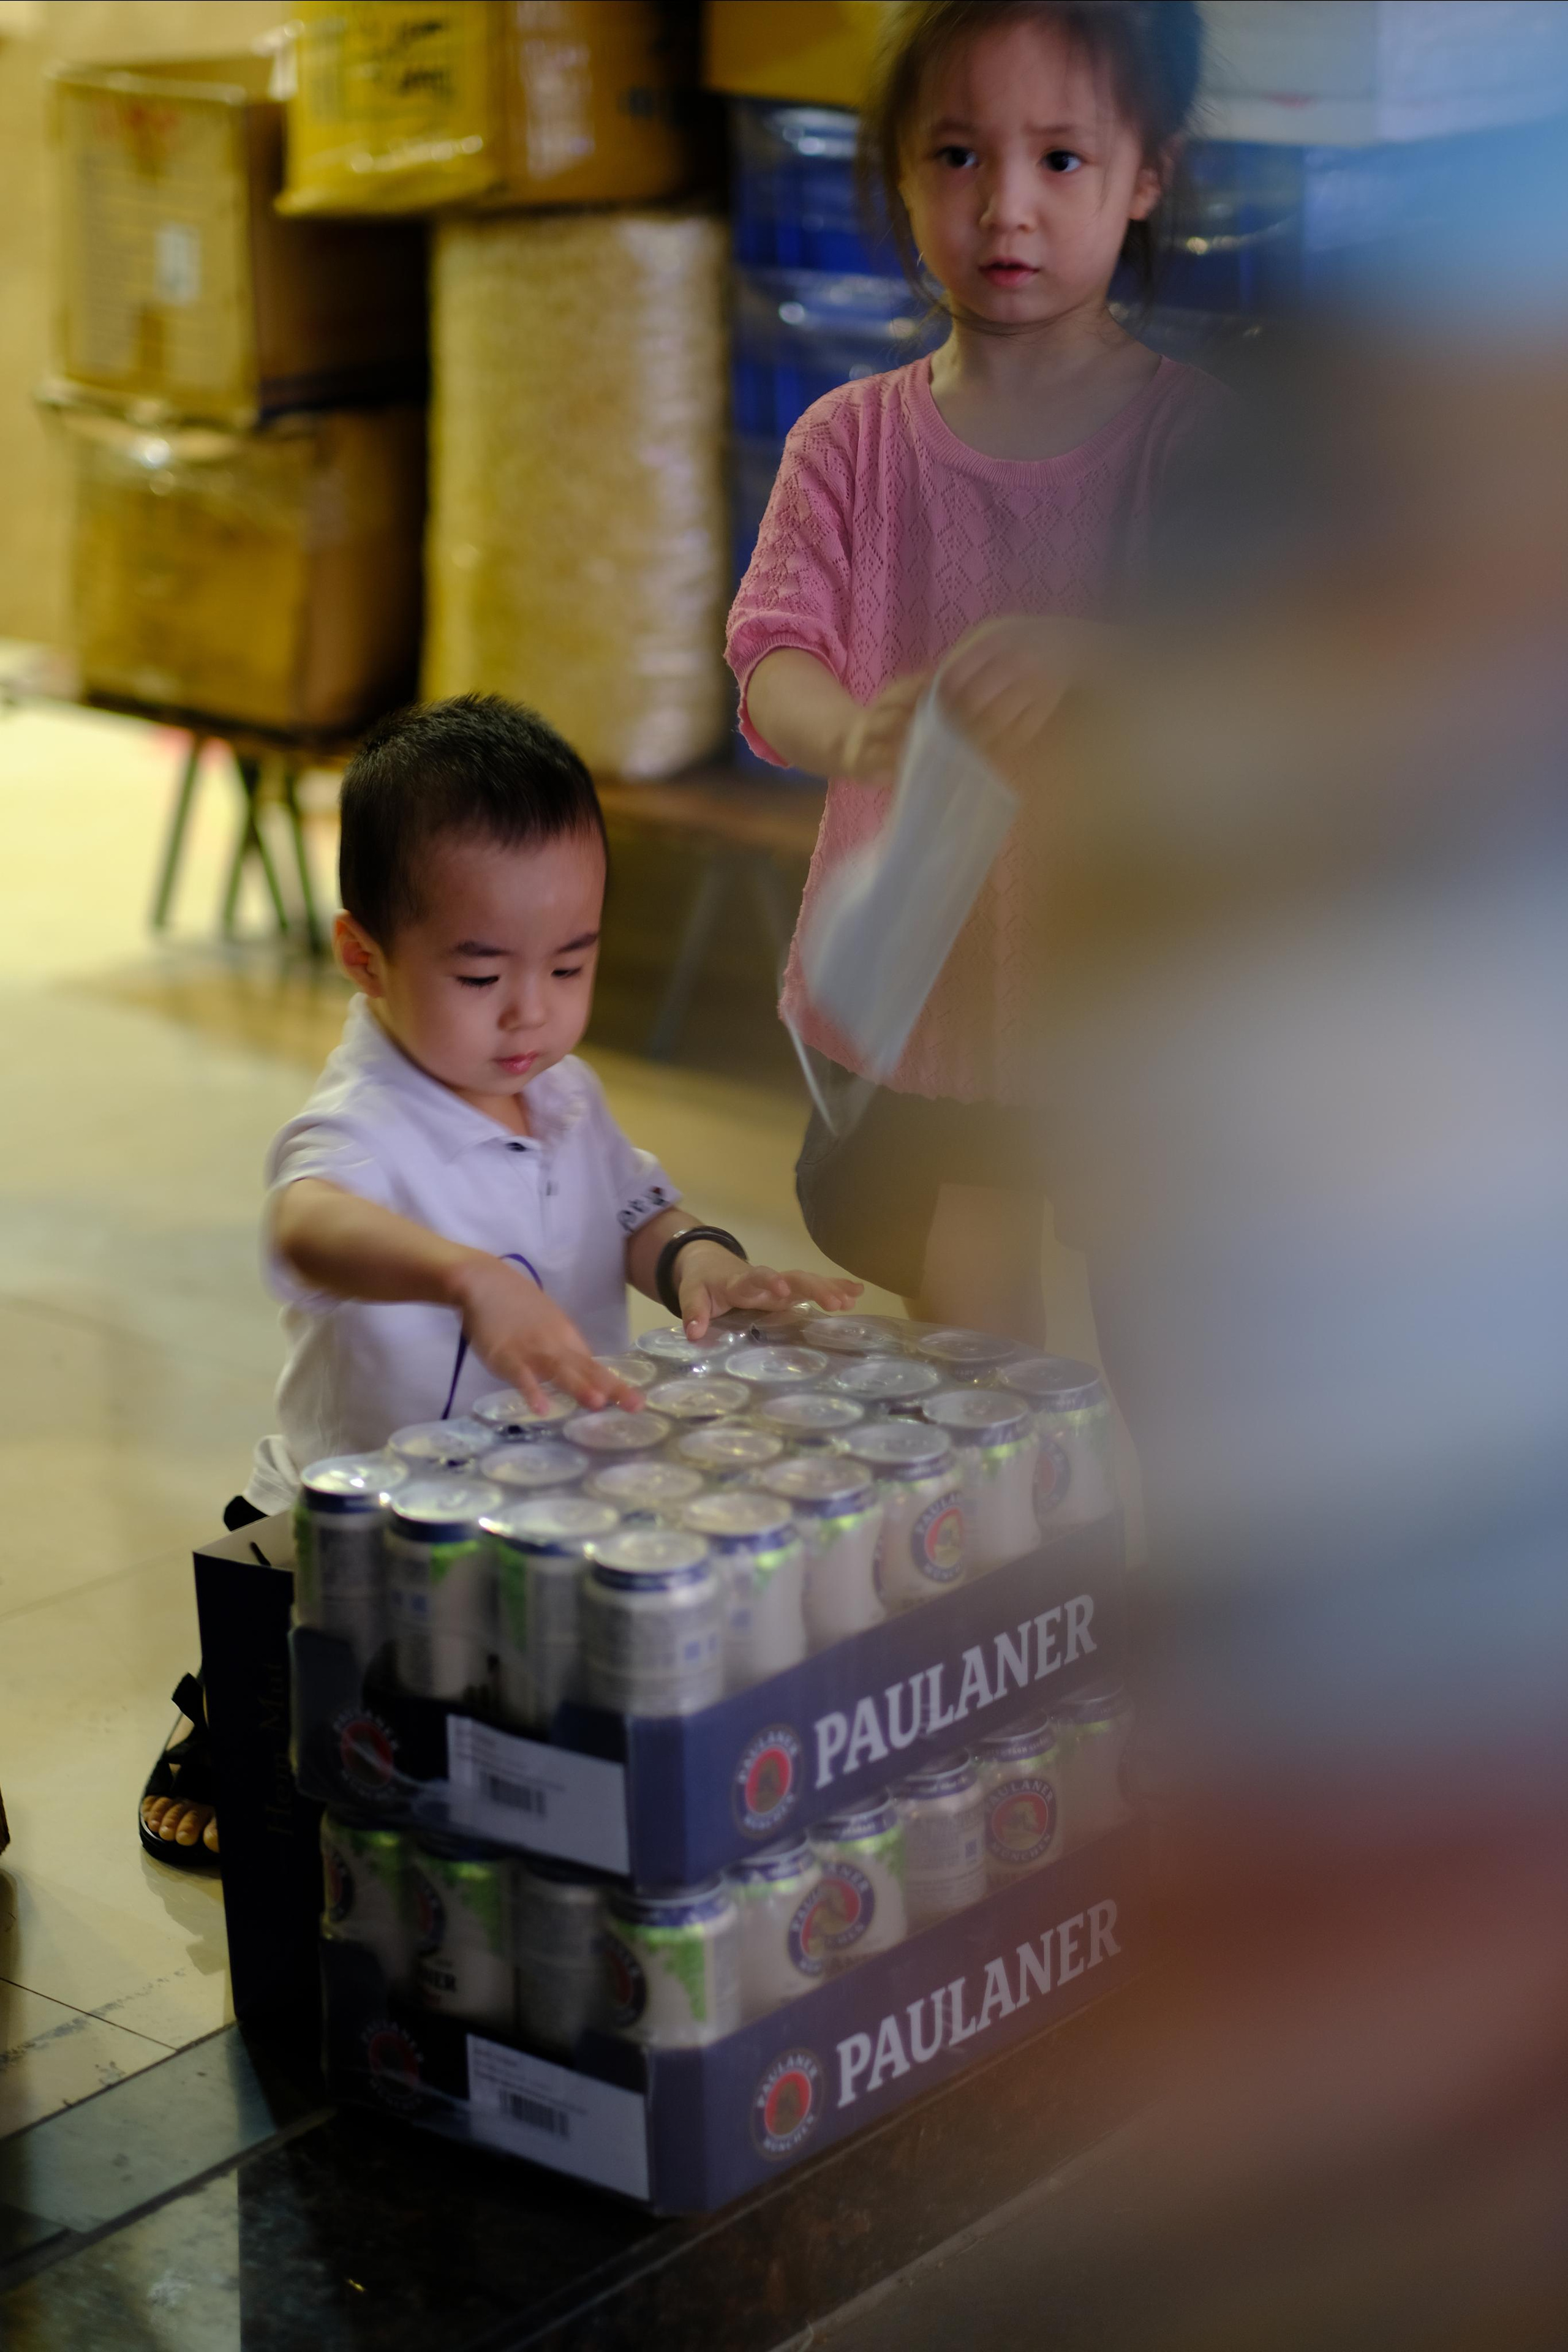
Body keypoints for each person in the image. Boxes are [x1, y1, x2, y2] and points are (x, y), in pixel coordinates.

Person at [140, 694, 858, 1865]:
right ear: (364, 956)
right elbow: (302, 1226)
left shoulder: (565, 1092)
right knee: (347, 1742)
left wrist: (699, 1261)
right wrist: (464, 1275)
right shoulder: (365, 1127)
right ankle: (218, 1714)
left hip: (534, 1491)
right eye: (482, 977)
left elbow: (634, 1207)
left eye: (570, 963)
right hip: (357, 1519)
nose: (534, 1011)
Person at [728, 0, 1225, 1341]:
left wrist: (1093, 652)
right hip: (933, 1000)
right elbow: (773, 654)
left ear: (1147, 177)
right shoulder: (845, 443)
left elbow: (1259, 673)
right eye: (956, 156)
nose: (1006, 206)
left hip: (1132, 1006)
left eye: (1059, 159)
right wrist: (850, 732)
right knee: (974, 1366)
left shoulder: (1194, 445)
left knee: (1167, 1351)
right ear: (895, 173)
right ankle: (1004, 1555)